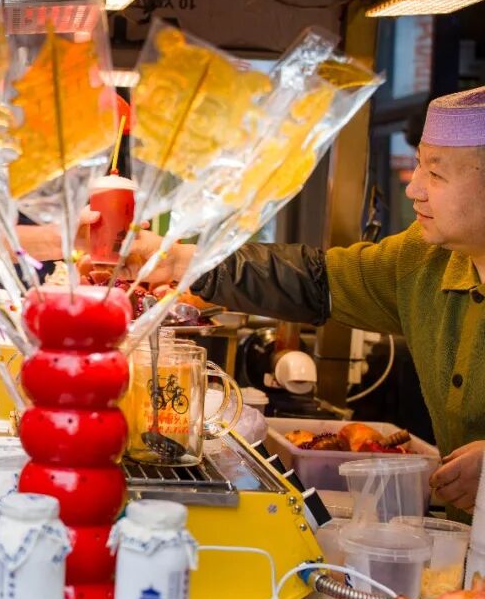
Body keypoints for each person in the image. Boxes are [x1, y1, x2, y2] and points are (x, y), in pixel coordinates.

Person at [123, 85, 485, 519]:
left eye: (437, 174)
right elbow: (317, 280)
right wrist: (181, 261)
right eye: (419, 163)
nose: (415, 188)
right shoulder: (423, 258)